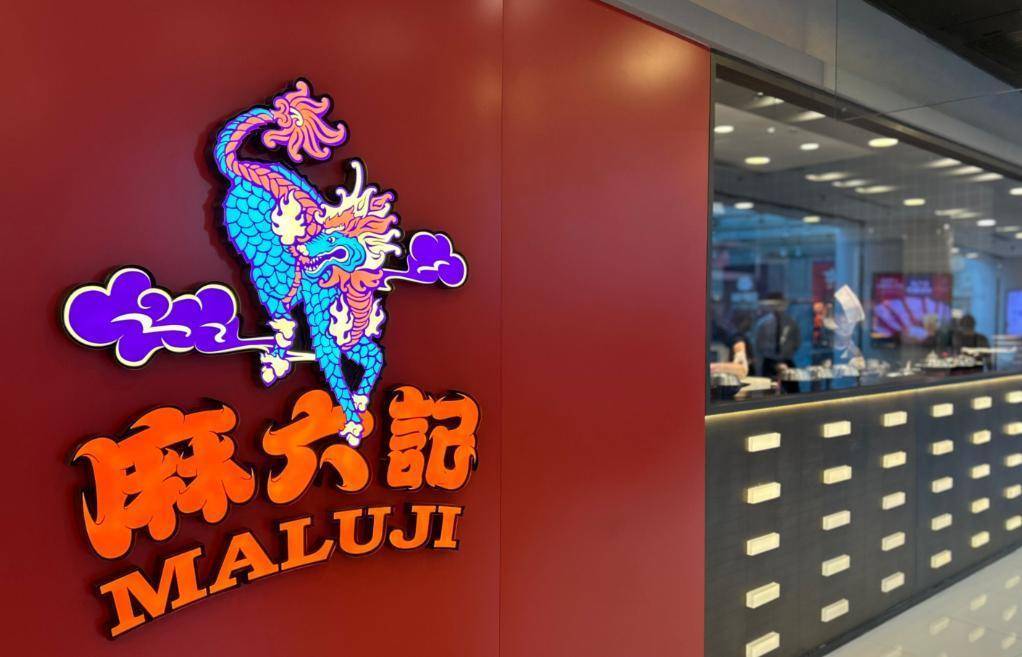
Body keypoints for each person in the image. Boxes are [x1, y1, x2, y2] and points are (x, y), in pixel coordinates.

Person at [752, 293, 801, 378]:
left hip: (787, 360)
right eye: (774, 304)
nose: (777, 307)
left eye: (779, 304)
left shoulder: (791, 323)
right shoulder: (763, 324)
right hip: (769, 362)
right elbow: (758, 345)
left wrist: (787, 353)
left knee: (791, 384)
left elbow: (797, 342)